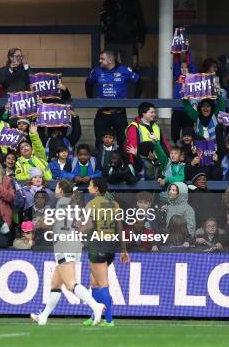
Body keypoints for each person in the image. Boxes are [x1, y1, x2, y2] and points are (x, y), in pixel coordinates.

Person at [31, 180, 105, 326]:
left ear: (61, 190)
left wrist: (37, 224)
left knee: (71, 284)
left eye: (57, 187)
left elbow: (47, 223)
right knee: (55, 284)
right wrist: (74, 232)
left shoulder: (56, 203)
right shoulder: (76, 205)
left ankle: (96, 306)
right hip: (75, 244)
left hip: (63, 245)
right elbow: (88, 224)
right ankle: (44, 317)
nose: (55, 189)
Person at [82, 177, 129, 327]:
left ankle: (108, 320)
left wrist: (76, 230)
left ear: (96, 189)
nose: (88, 187)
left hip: (97, 245)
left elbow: (89, 226)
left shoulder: (91, 204)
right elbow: (120, 228)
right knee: (93, 282)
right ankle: (95, 316)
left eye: (90, 185)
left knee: (102, 284)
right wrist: (124, 250)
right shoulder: (114, 205)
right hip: (111, 247)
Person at [86, 50, 140, 148]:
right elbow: (88, 83)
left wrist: (135, 99)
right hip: (102, 114)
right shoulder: (96, 71)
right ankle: (101, 162)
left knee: (123, 142)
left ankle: (124, 162)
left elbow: (139, 82)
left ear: (110, 60)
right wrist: (90, 99)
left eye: (102, 58)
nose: (99, 61)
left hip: (119, 114)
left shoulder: (125, 70)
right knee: (99, 142)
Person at [99, 0, 146, 67]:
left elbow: (140, 21)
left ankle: (125, 81)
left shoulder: (133, 2)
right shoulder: (108, 1)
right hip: (112, 39)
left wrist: (140, 39)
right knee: (109, 66)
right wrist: (106, 29)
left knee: (127, 67)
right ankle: (111, 81)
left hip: (127, 39)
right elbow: (103, 17)